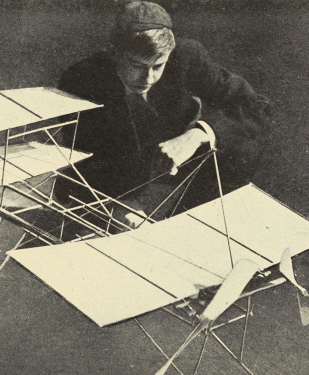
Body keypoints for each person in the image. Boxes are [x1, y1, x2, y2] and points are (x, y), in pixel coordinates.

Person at [58, 1, 271, 227]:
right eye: (137, 66)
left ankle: (184, 224)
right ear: (114, 53)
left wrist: (197, 134)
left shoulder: (186, 56)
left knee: (244, 148)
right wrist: (121, 204)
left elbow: (256, 106)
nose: (148, 78)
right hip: (118, 169)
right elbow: (87, 159)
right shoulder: (80, 79)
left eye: (158, 66)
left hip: (177, 153)